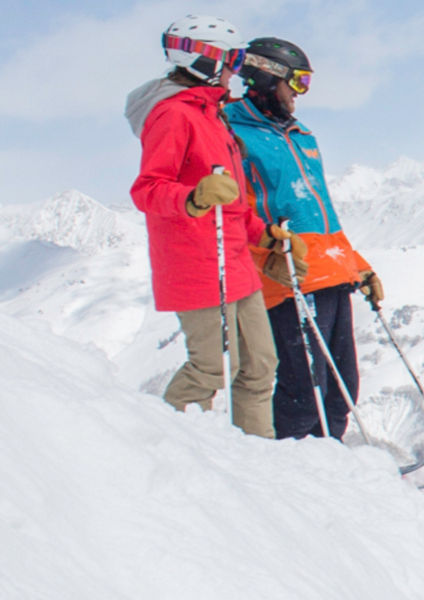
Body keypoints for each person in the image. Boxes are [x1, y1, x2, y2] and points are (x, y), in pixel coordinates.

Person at [126, 15, 277, 437]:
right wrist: (191, 198)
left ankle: (260, 458)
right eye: (232, 59)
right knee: (208, 371)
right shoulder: (174, 116)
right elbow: (148, 189)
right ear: (204, 60)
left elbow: (230, 198)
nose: (237, 70)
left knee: (260, 365)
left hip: (235, 261)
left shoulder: (213, 116)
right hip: (195, 263)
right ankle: (164, 445)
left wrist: (263, 234)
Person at [225, 36, 381, 439]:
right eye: (297, 83)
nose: (300, 95)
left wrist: (358, 267)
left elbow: (319, 213)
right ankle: (290, 475)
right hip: (286, 277)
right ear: (266, 77)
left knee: (342, 387)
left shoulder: (301, 135)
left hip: (331, 273)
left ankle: (332, 470)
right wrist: (267, 243)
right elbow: (231, 210)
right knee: (302, 390)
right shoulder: (232, 131)